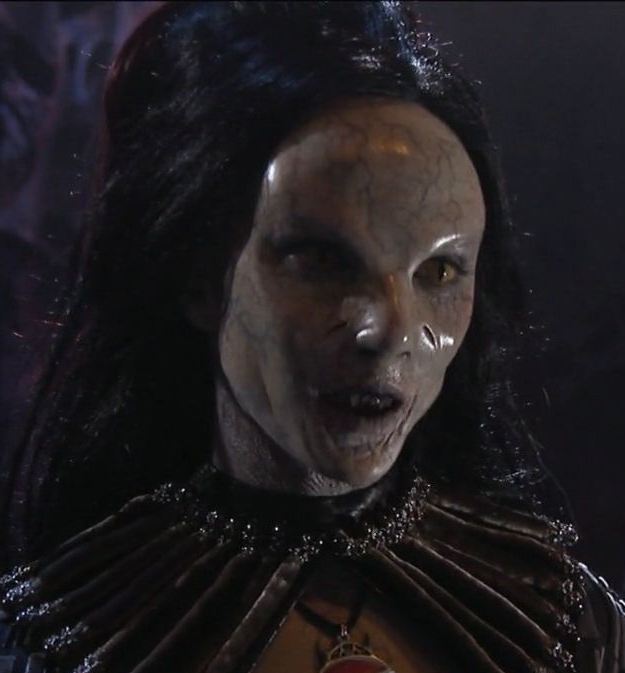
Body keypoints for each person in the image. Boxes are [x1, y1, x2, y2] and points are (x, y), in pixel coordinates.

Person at [0, 2, 622, 672]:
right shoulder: (64, 640)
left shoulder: (558, 621)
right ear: (198, 277)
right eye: (322, 260)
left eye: (439, 271)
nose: (387, 330)